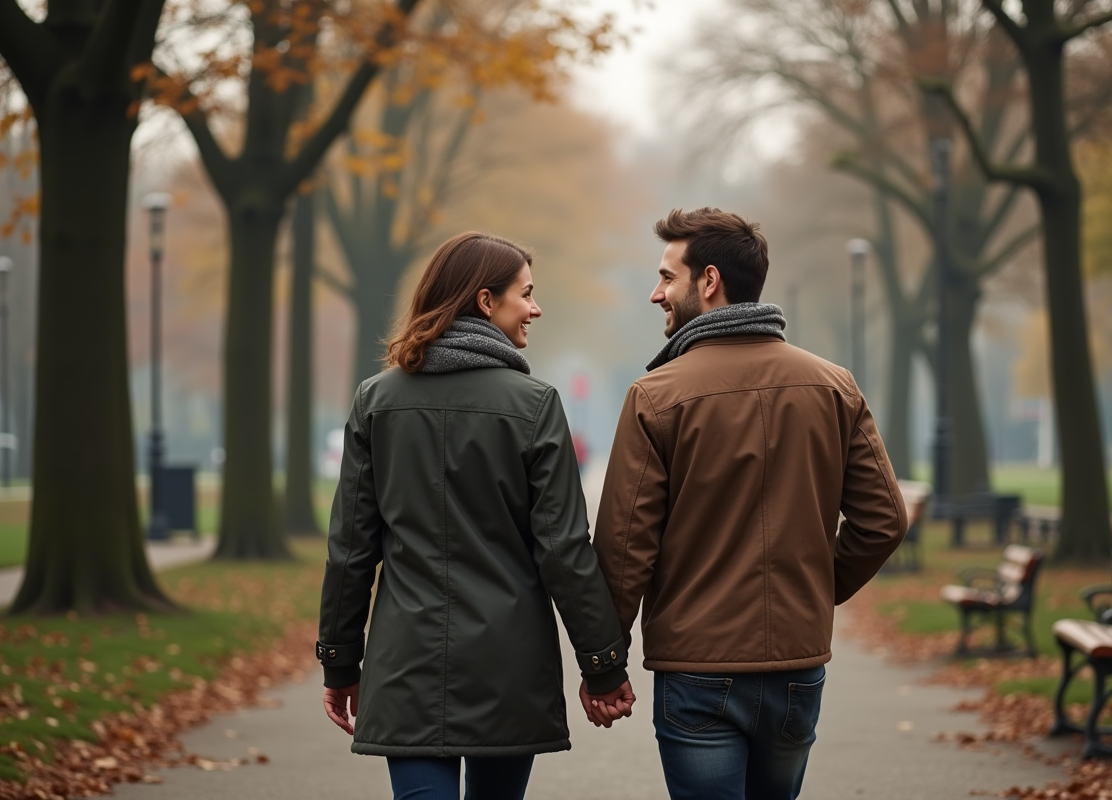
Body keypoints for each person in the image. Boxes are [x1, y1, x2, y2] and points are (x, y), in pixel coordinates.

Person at [592, 208, 908, 800]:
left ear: (708, 281)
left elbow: (622, 547)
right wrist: (814, 587)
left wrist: (605, 663)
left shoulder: (655, 397)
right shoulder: (834, 386)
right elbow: (884, 520)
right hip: (795, 665)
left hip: (697, 666)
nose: (655, 293)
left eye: (667, 277)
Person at [316, 232, 635, 800]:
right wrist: (603, 665)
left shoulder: (377, 401)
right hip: (509, 670)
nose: (536, 308)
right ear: (486, 302)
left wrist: (340, 662)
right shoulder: (534, 405)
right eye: (526, 294)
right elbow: (563, 548)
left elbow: (351, 549)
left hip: (404, 664)